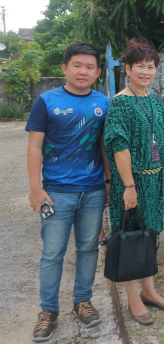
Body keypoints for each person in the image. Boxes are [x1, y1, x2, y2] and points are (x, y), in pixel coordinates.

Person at [103, 39, 164, 326]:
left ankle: (149, 291)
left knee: (149, 237)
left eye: (151, 67)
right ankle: (133, 299)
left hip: (154, 182)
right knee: (132, 237)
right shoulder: (120, 103)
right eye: (140, 67)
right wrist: (129, 186)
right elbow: (119, 146)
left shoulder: (152, 99)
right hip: (131, 184)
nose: (146, 71)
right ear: (127, 69)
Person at [27, 42, 111, 342]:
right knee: (52, 254)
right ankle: (48, 311)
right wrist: (36, 189)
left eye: (89, 67)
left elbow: (105, 146)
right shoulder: (46, 101)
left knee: (88, 249)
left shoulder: (104, 102)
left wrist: (109, 182)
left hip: (92, 190)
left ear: (98, 72)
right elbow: (35, 146)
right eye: (77, 65)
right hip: (57, 192)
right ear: (65, 68)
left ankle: (82, 301)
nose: (83, 71)